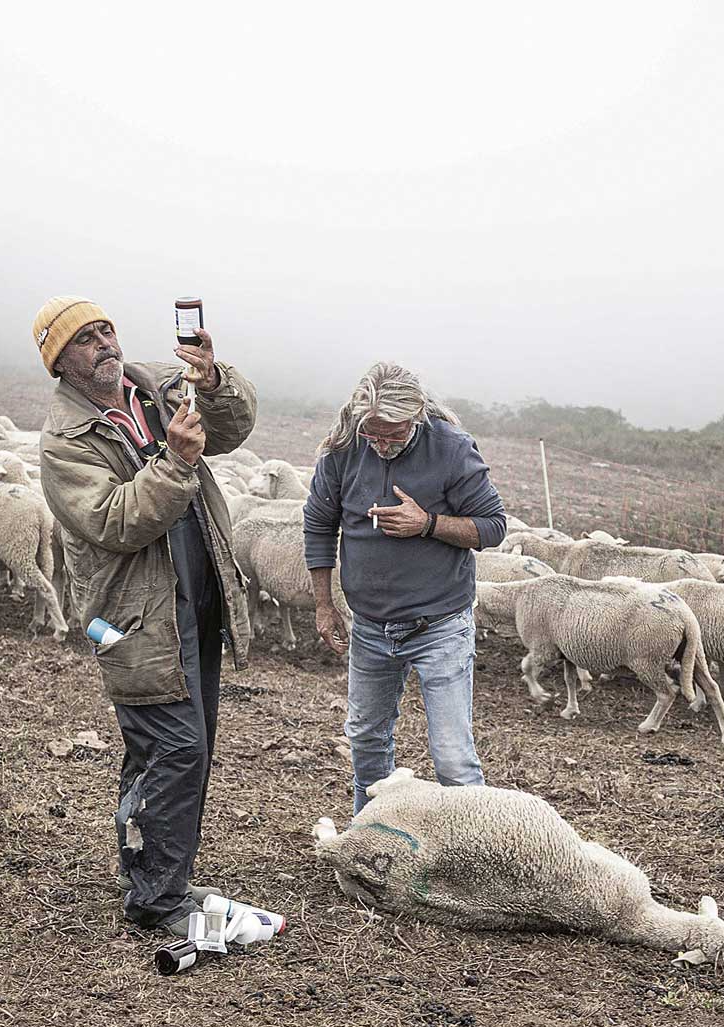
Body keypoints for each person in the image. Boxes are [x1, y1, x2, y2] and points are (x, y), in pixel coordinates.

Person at [35, 297, 257, 937]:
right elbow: (114, 521)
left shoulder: (159, 384)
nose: (104, 343)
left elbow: (234, 429)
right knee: (177, 749)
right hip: (128, 618)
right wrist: (179, 462)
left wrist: (214, 383)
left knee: (180, 747)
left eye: (106, 329)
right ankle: (158, 898)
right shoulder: (64, 443)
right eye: (83, 339)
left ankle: (158, 872)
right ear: (59, 362)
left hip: (194, 596)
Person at [303, 362, 507, 813]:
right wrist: (324, 605)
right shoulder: (344, 447)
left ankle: (473, 862)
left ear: (415, 415)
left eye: (393, 434)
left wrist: (428, 523)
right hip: (371, 627)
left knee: (453, 758)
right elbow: (318, 524)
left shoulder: (451, 449)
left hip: (440, 625)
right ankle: (372, 843)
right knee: (366, 741)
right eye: (373, 434)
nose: (381, 444)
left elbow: (493, 527)